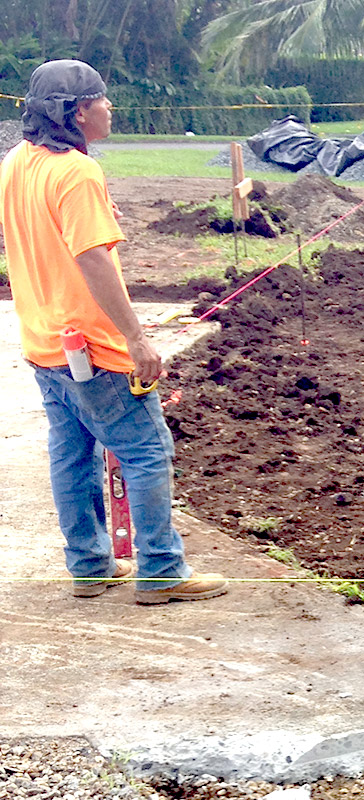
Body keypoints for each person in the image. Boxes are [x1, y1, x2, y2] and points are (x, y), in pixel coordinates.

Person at [0, 60, 228, 604]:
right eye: (103, 99)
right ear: (79, 112)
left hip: (44, 342)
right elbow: (93, 258)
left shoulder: (17, 161)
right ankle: (161, 570)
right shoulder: (77, 173)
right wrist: (136, 338)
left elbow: (45, 227)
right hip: (93, 349)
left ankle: (91, 566)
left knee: (71, 454)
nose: (110, 108)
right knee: (147, 451)